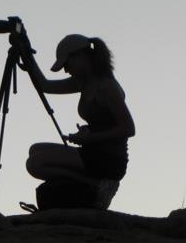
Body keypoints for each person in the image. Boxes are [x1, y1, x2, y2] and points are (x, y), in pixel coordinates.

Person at [21, 34, 136, 209]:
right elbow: (45, 86)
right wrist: (27, 56)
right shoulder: (83, 82)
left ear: (81, 56)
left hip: (108, 160)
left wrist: (88, 139)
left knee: (34, 164)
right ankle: (90, 183)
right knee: (34, 149)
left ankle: (96, 186)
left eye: (67, 64)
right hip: (93, 152)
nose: (66, 70)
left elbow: (128, 128)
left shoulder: (106, 87)